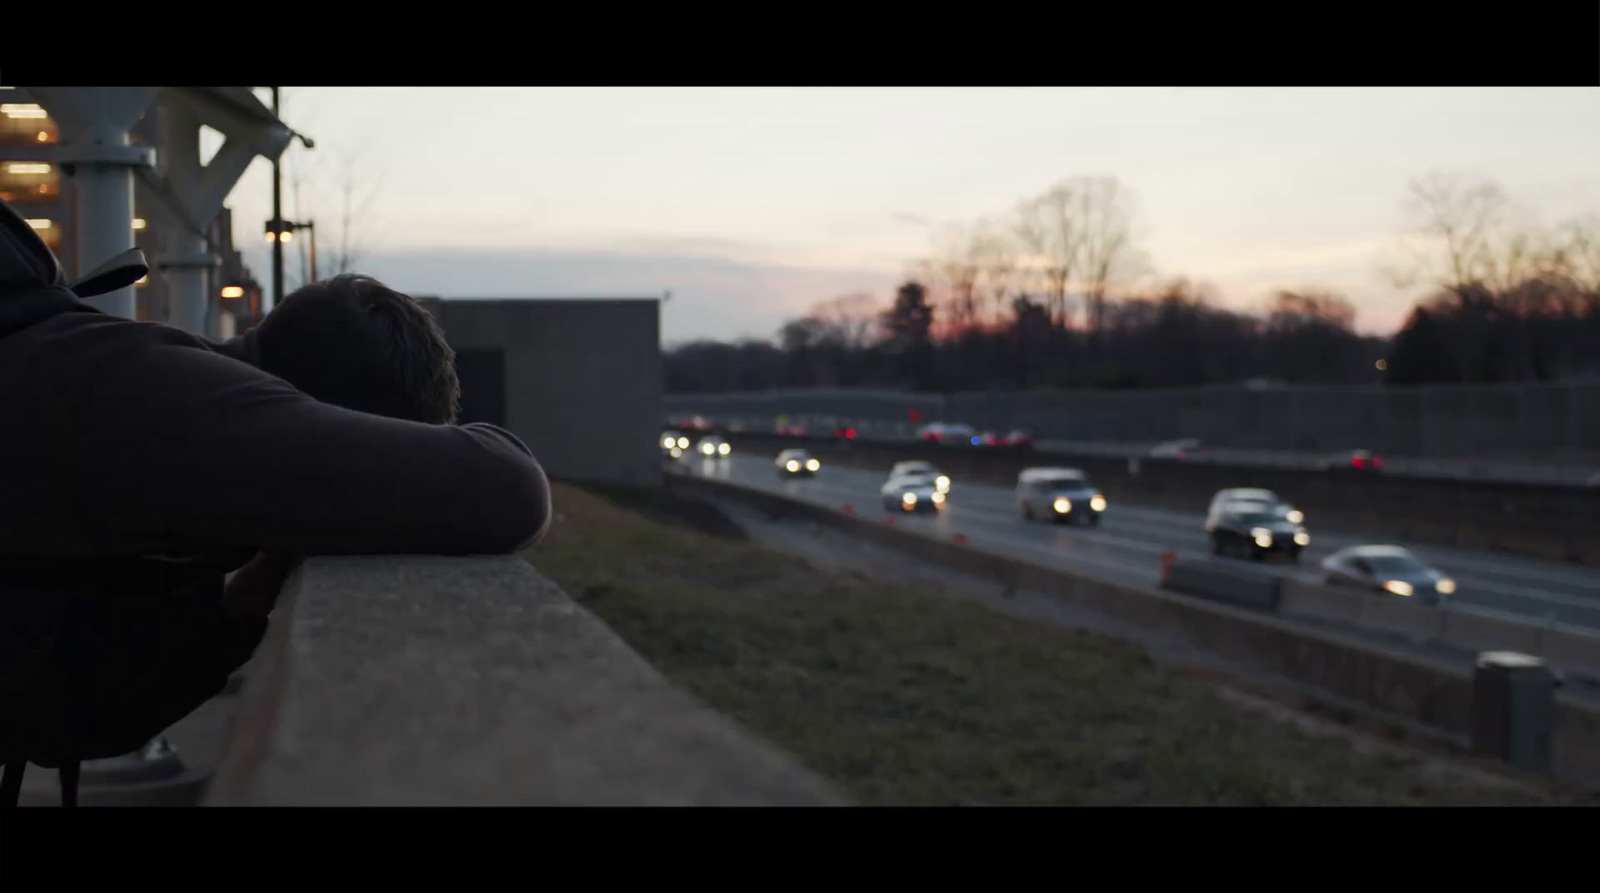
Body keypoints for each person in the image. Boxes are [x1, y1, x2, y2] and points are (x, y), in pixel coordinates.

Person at [0, 197, 552, 806]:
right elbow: (512, 489)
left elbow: (66, 713)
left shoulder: (129, 383)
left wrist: (238, 608)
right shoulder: (191, 411)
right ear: (333, 424)